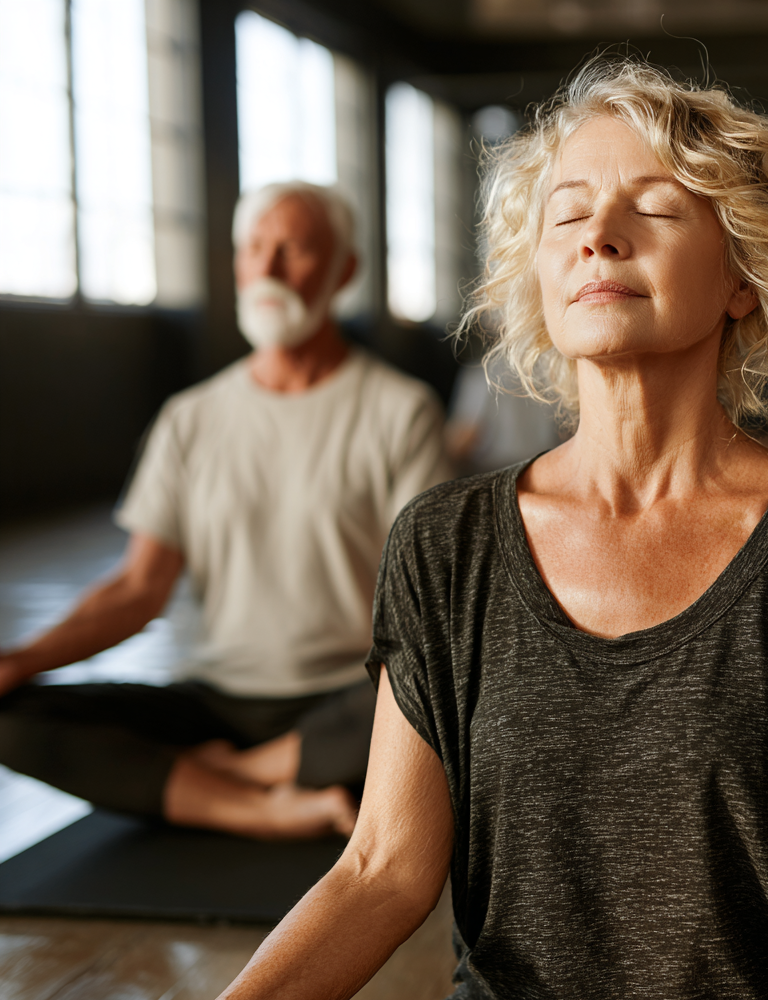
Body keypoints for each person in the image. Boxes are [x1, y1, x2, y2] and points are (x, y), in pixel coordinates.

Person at [192, 61, 768, 1000]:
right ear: (538, 277)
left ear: (743, 278)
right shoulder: (446, 542)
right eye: (568, 215)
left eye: (654, 210)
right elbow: (381, 869)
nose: (598, 236)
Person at [0, 181, 451, 839]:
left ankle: (239, 773)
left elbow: (426, 606)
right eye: (254, 248)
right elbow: (137, 589)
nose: (267, 269)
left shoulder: (400, 410)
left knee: (445, 687)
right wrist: (19, 661)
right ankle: (260, 801)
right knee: (12, 717)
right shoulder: (190, 419)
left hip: (352, 701)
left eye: (292, 249)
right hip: (215, 700)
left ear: (343, 270)